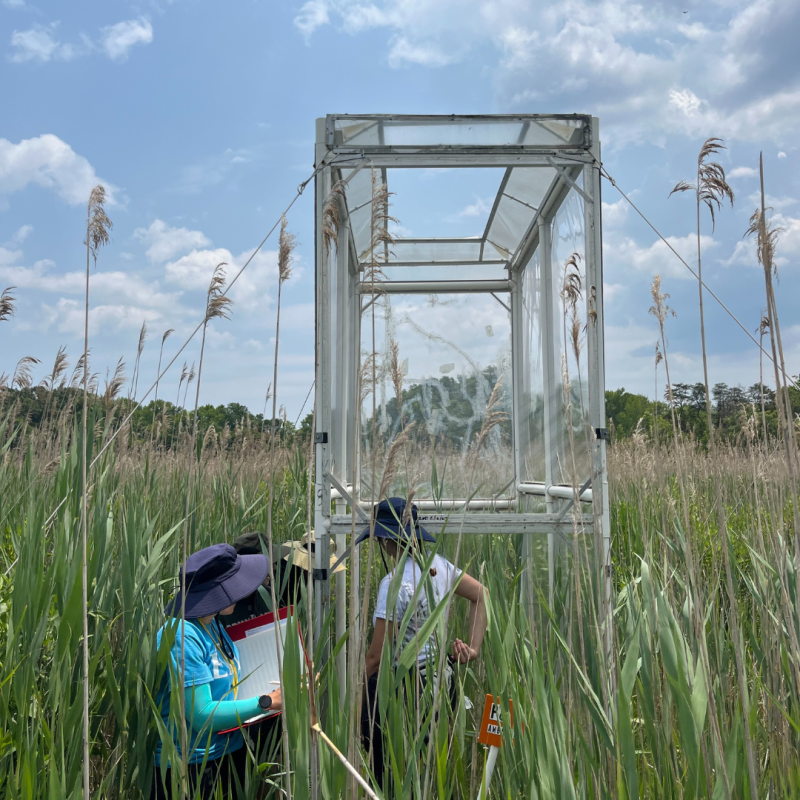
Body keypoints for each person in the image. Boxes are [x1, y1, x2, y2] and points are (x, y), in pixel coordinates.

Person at [358, 497, 487, 789]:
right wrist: (473, 648)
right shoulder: (438, 566)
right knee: (431, 773)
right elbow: (481, 595)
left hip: (403, 691)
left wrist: (358, 701)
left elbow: (376, 657)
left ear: (386, 540)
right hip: (442, 684)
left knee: (388, 776)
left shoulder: (394, 584)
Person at [152, 543, 283, 800]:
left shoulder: (213, 624)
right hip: (193, 767)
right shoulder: (183, 634)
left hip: (228, 753)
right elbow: (200, 715)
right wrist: (268, 702)